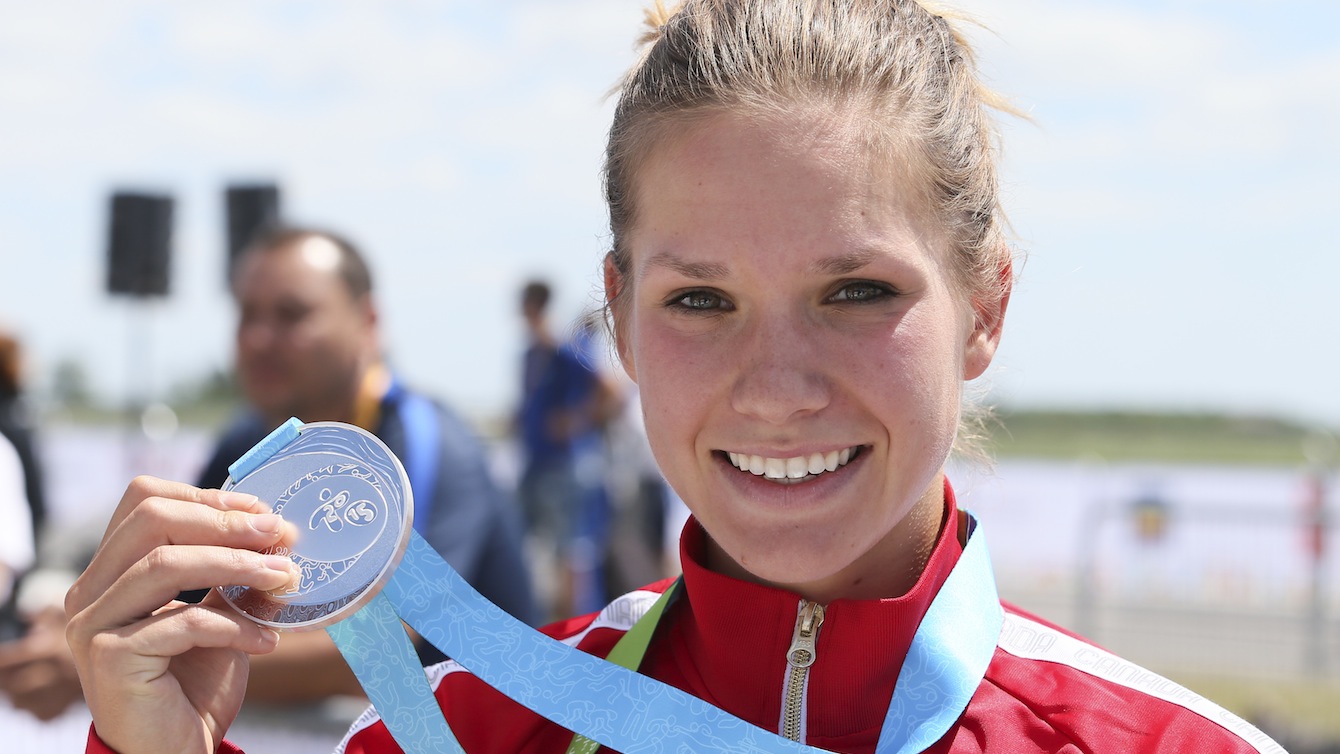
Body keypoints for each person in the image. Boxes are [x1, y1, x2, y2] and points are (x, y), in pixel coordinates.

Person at [65, 2, 1285, 753]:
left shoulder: (1172, 746)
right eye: (700, 300)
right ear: (620, 320)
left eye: (856, 291)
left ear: (986, 308)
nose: (776, 386)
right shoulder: (466, 731)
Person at [515, 282, 624, 619]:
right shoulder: (533, 353)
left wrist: (577, 420)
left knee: (573, 552)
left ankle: (577, 631)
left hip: (568, 465)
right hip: (538, 463)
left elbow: (611, 390)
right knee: (534, 546)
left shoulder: (563, 349)